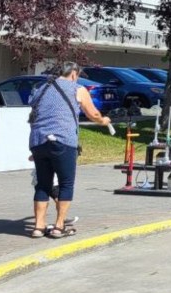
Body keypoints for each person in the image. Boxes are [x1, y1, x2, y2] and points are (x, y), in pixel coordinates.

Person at [28, 62, 111, 239]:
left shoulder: (40, 88)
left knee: (43, 184)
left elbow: (34, 114)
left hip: (38, 140)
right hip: (63, 140)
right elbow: (93, 114)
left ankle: (38, 227)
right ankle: (59, 226)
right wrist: (104, 121)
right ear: (73, 74)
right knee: (66, 184)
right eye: (78, 75)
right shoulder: (78, 89)